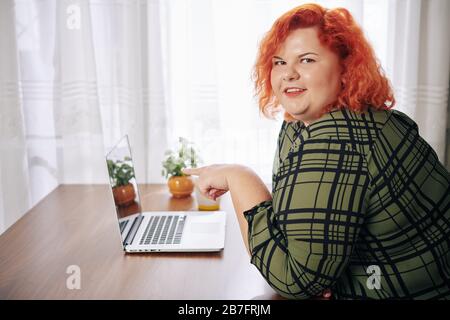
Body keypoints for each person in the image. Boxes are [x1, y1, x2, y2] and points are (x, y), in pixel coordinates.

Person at [182, 3, 450, 300]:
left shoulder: (336, 142)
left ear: (346, 67)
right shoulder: (306, 123)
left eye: (306, 60)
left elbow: (294, 281)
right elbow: (293, 225)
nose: (288, 74)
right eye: (279, 62)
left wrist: (239, 176)